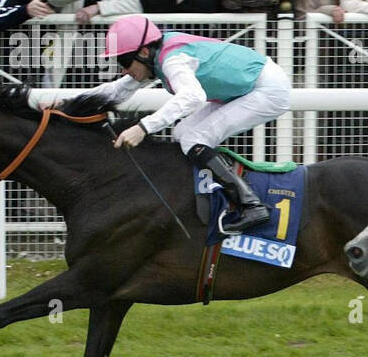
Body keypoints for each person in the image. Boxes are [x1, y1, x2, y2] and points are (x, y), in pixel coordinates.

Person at [57, 14, 293, 235]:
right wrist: (71, 104)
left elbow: (193, 97)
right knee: (183, 133)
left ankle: (251, 205)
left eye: (124, 61)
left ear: (144, 51)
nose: (123, 69)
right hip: (249, 87)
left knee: (194, 138)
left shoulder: (173, 60)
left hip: (267, 89)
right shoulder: (156, 56)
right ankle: (215, 198)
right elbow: (118, 90)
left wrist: (143, 128)